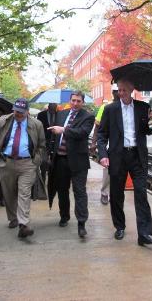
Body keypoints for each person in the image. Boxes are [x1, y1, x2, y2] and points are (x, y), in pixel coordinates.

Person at [97, 79, 152, 246]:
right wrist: (103, 155)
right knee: (116, 195)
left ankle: (144, 234)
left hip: (137, 156)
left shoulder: (143, 108)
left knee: (141, 193)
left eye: (124, 90)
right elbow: (101, 135)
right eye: (119, 90)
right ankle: (120, 226)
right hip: (118, 157)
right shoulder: (110, 109)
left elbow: (148, 131)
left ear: (131, 90)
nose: (120, 93)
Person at [0, 98, 45, 238]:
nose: (18, 115)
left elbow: (41, 145)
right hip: (6, 162)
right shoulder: (3, 121)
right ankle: (13, 218)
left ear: (27, 112)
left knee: (24, 193)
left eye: (21, 112)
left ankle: (23, 224)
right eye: (16, 111)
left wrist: (35, 162)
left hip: (27, 164)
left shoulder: (37, 124)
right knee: (9, 194)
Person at [48, 91, 95, 238]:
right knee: (62, 190)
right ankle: (64, 216)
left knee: (79, 192)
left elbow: (82, 133)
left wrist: (63, 130)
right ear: (70, 100)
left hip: (78, 161)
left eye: (78, 101)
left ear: (83, 102)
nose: (75, 103)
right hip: (61, 159)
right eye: (73, 100)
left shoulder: (88, 117)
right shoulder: (61, 114)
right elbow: (54, 137)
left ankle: (81, 223)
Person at [93, 84, 119, 205]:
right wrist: (94, 143)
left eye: (118, 91)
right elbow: (97, 127)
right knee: (108, 170)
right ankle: (104, 193)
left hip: (122, 145)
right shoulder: (105, 107)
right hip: (109, 145)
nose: (117, 94)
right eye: (115, 91)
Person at [37, 103, 57, 183]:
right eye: (51, 108)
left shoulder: (59, 115)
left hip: (55, 142)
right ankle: (43, 178)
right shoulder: (41, 115)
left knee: (53, 162)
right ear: (48, 107)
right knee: (44, 161)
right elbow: (38, 127)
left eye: (54, 108)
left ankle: (52, 179)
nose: (53, 110)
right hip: (44, 141)